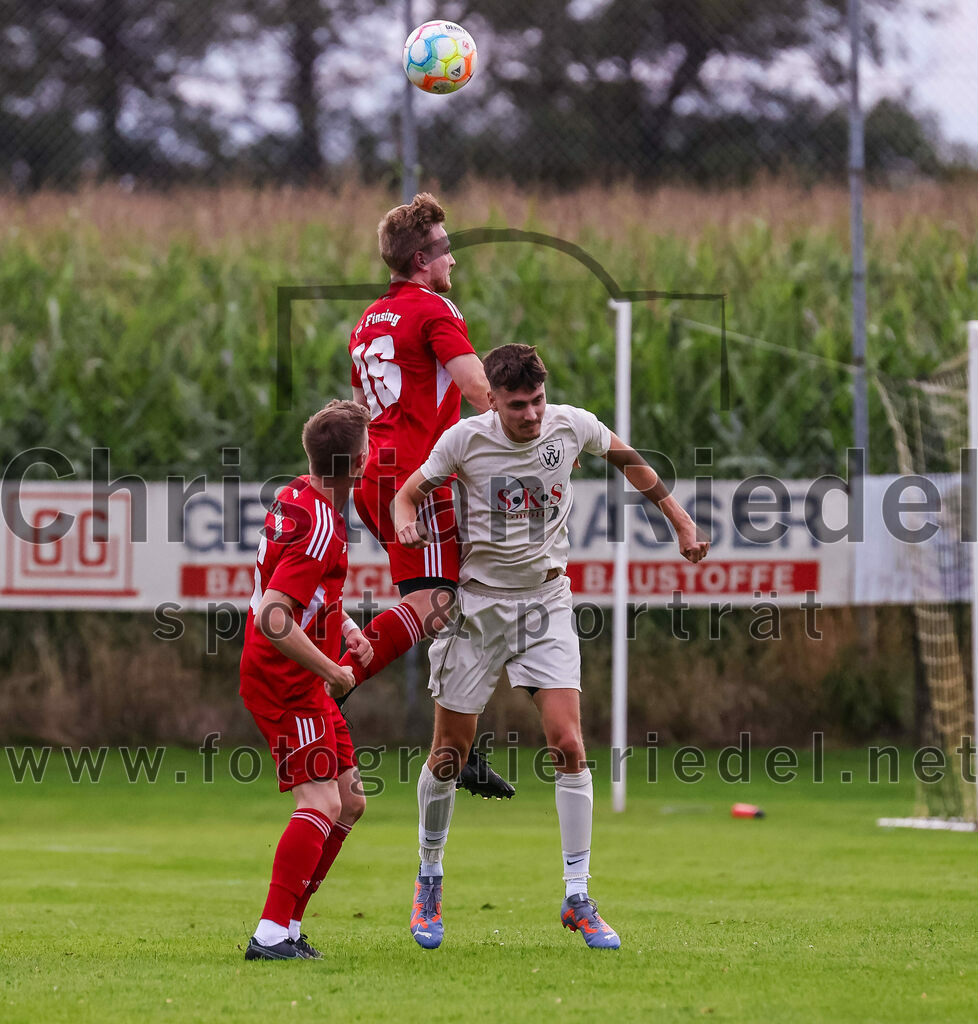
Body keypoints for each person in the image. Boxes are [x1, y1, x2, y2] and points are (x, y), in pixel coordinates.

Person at [393, 344, 710, 951]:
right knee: (450, 754)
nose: (533, 415)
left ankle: (578, 895)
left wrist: (679, 518)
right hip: (478, 606)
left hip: (546, 604)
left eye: (537, 401)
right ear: (493, 400)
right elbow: (406, 493)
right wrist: (407, 517)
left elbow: (629, 460)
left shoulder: (572, 425)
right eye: (519, 406)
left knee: (568, 743)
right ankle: (429, 875)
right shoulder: (464, 440)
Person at [239, 399, 373, 961]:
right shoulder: (321, 520)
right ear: (360, 462)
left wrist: (343, 625)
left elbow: (299, 589)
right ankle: (271, 934)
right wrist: (332, 669)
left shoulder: (300, 494)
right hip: (287, 679)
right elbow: (274, 615)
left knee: (349, 801)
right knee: (319, 802)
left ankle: (289, 928)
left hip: (301, 676)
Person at [340, 192, 489, 690]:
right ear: (421, 260)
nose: (453, 258)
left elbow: (360, 408)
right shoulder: (433, 309)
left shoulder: (365, 322)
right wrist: (531, 439)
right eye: (445, 248)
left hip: (373, 476)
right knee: (436, 603)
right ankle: (333, 681)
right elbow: (478, 389)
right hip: (416, 477)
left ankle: (461, 756)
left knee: (445, 599)